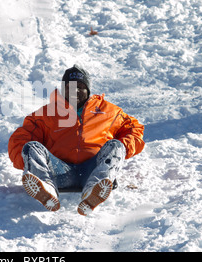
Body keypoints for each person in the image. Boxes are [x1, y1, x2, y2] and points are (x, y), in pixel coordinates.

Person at [8, 65, 145, 216]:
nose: (76, 90)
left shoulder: (108, 111)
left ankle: (95, 190)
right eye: (70, 86)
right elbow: (20, 138)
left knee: (116, 145)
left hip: (95, 170)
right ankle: (46, 188)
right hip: (60, 172)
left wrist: (121, 151)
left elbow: (133, 129)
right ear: (63, 89)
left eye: (81, 86)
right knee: (31, 146)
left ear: (88, 90)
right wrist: (27, 163)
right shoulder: (48, 113)